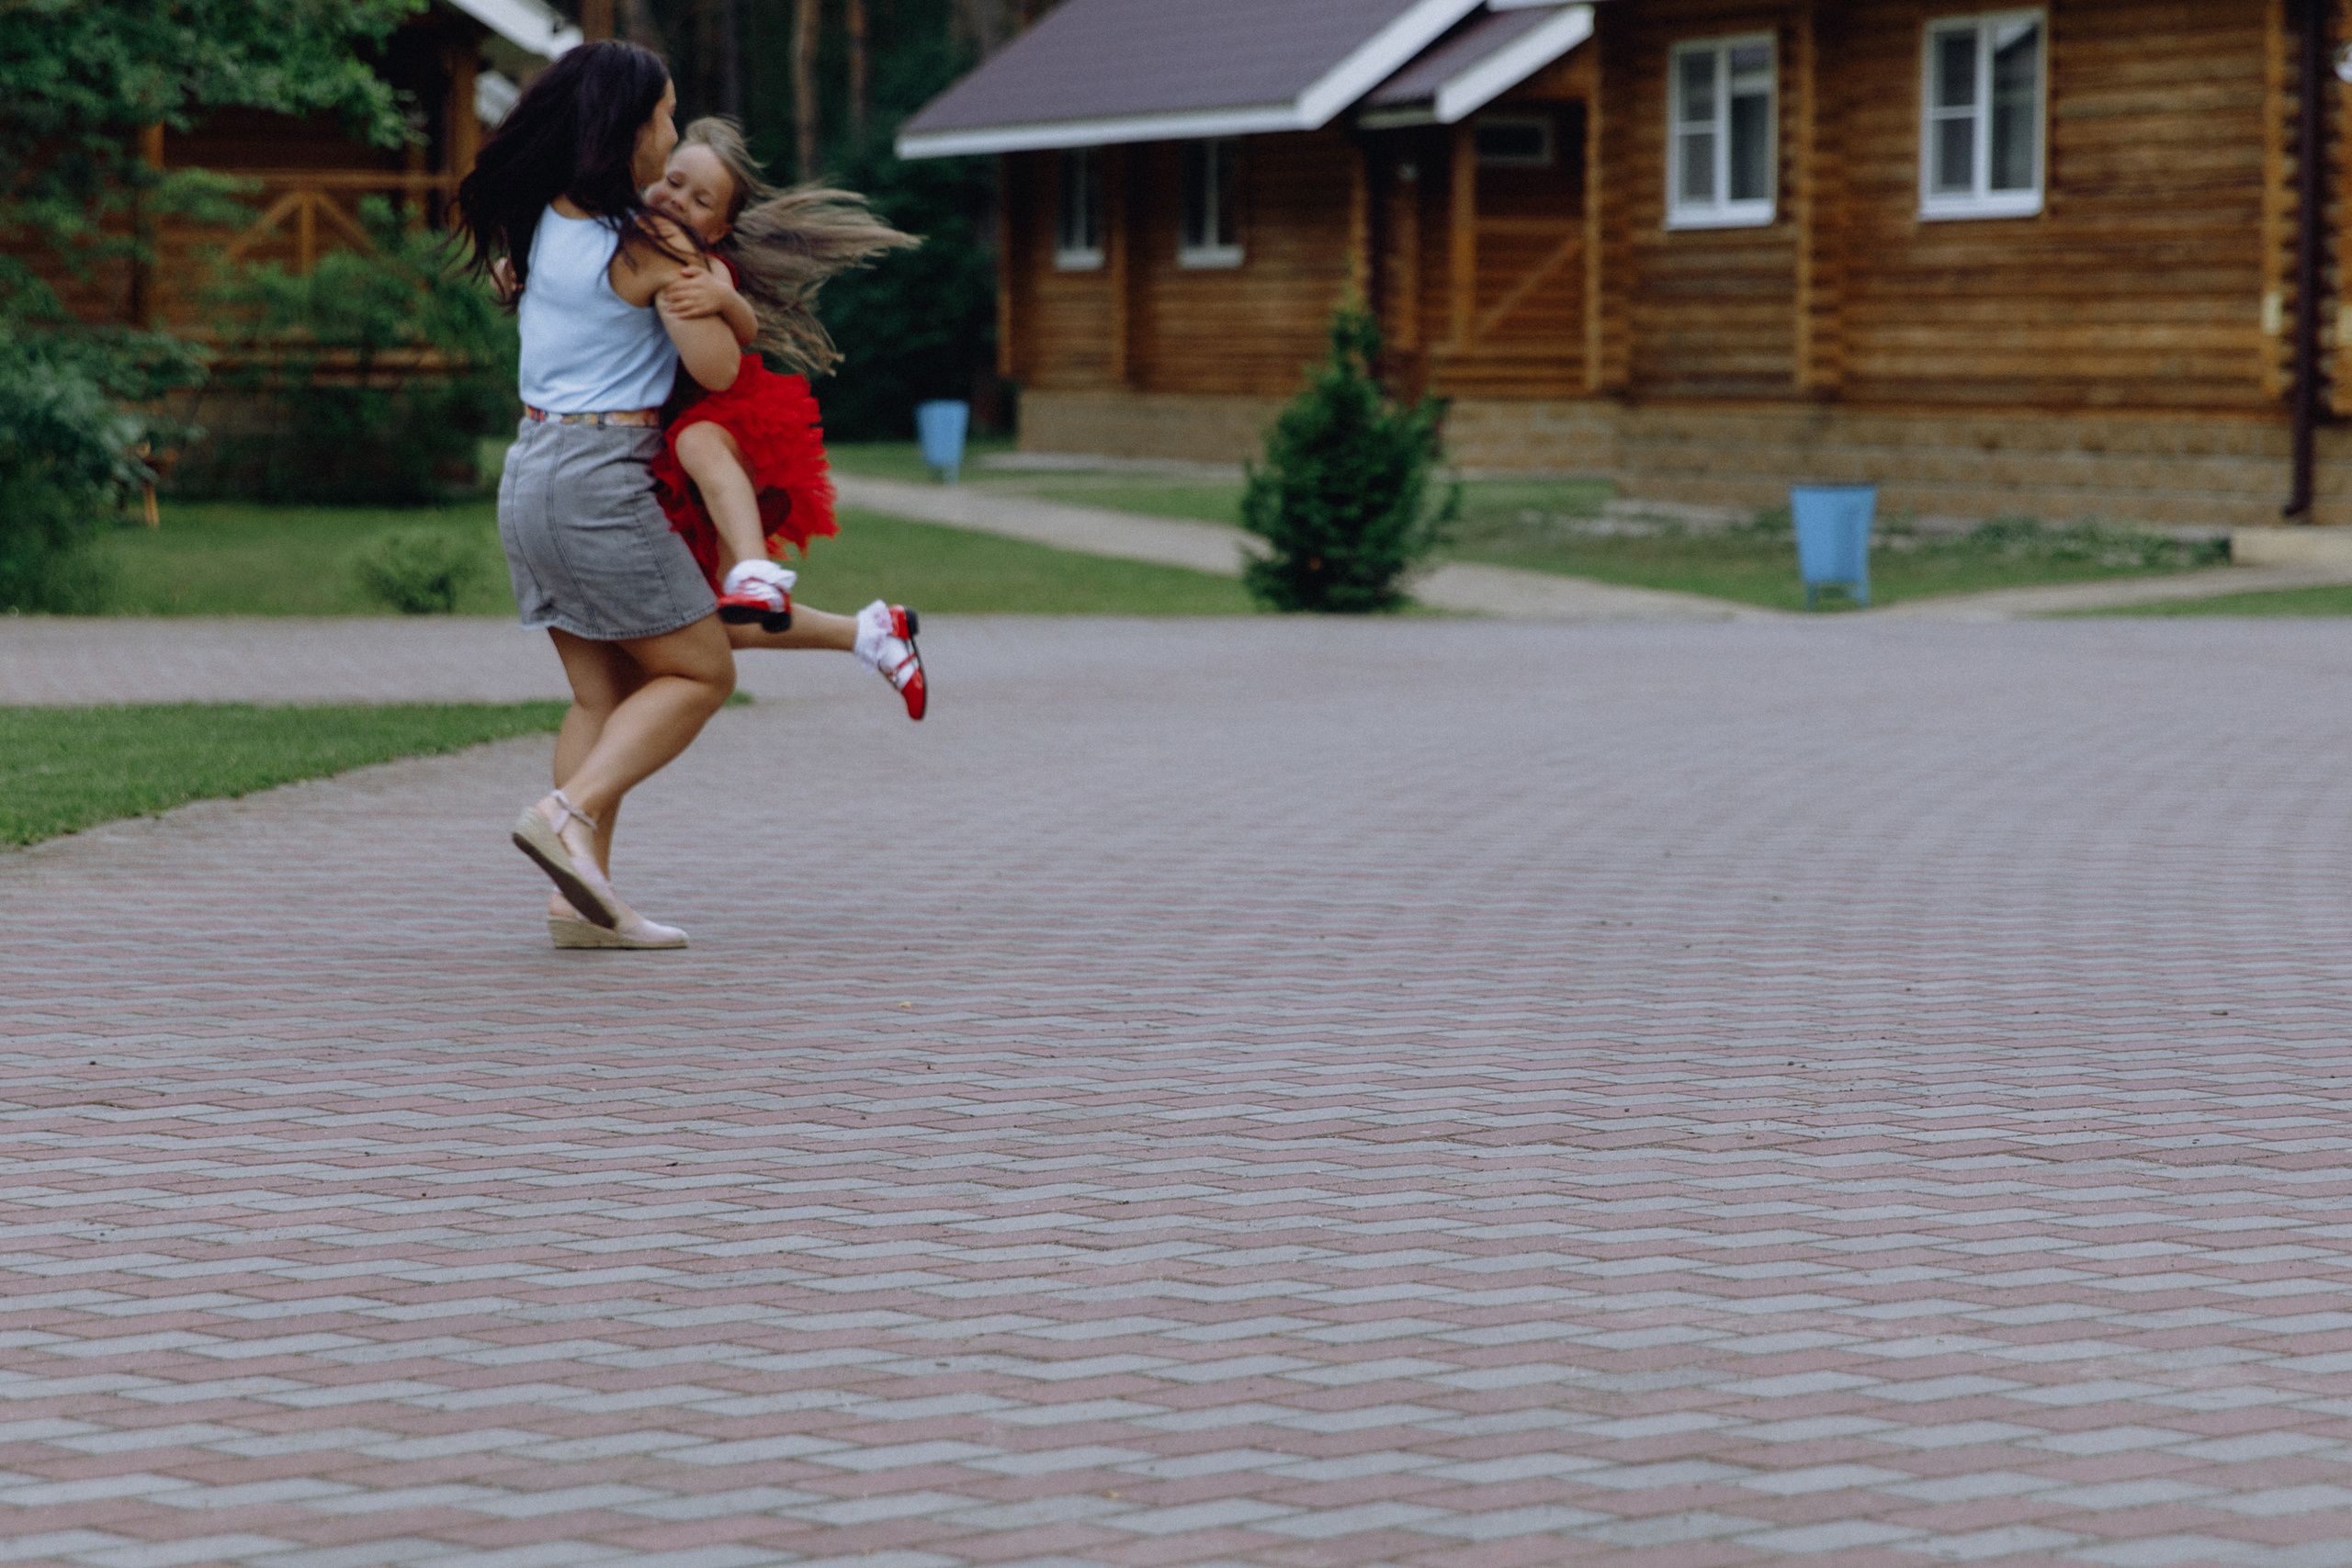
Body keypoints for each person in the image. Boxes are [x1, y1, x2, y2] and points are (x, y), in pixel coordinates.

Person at [457, 39, 741, 952]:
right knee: (701, 671)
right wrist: (718, 296)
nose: (670, 130)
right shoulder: (650, 241)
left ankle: (578, 904)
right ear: (625, 127)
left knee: (601, 694)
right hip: (599, 479)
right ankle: (565, 811)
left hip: (531, 469)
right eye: (661, 114)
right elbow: (719, 371)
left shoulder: (541, 220)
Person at [643, 118, 928, 721]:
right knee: (736, 628)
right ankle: (874, 632)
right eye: (672, 182)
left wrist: (727, 302)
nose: (677, 201)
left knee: (696, 441)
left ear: (718, 228)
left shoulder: (706, 265)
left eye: (700, 201)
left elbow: (745, 327)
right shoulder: (632, 238)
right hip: (678, 448)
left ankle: (756, 569)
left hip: (729, 417)